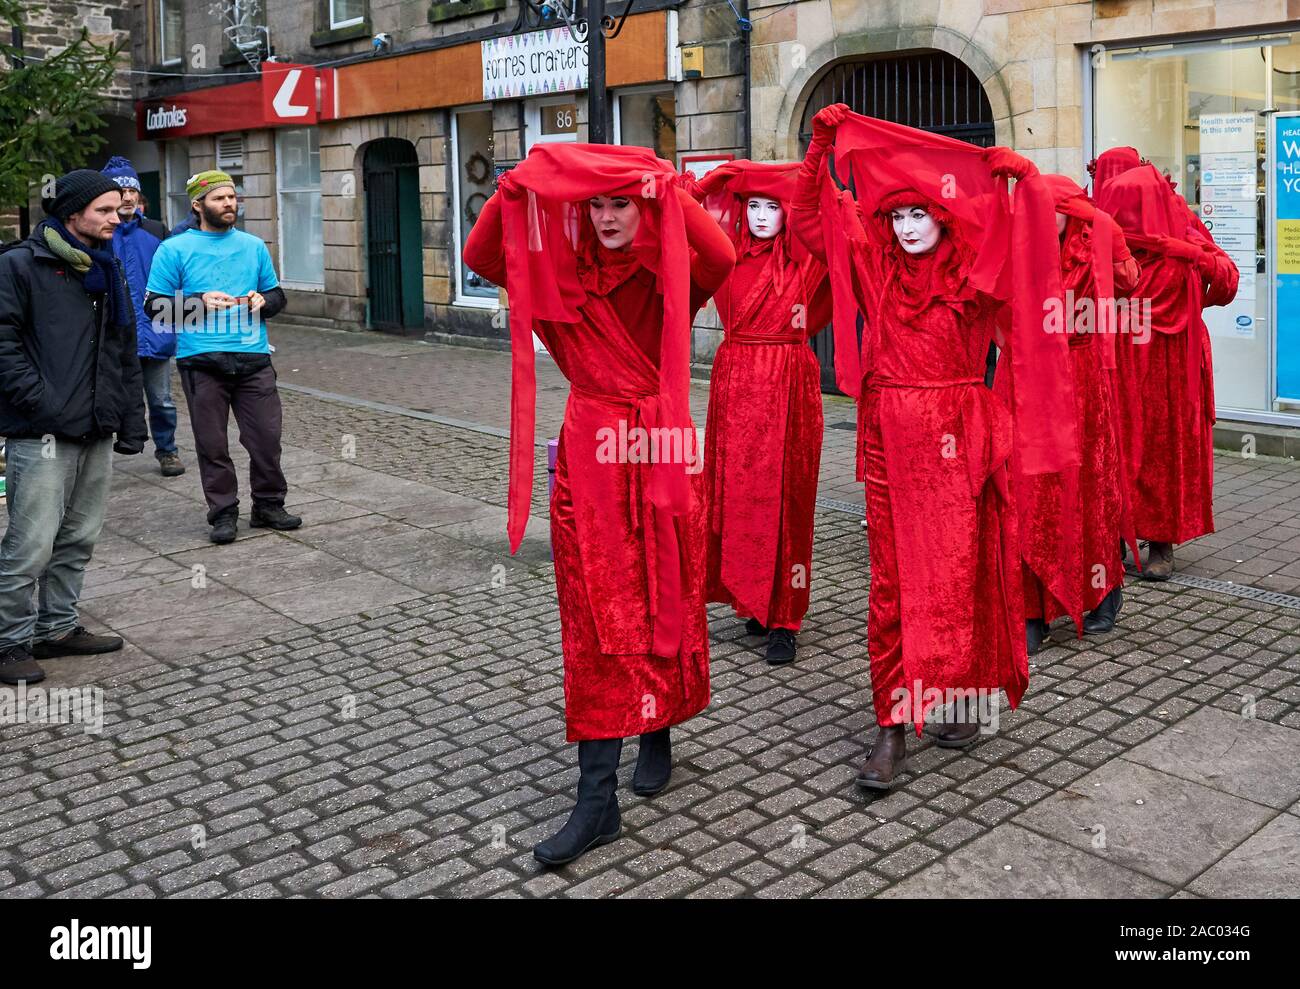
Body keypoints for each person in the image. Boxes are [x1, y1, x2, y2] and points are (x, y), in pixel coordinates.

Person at [790, 105, 1079, 789]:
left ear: (944, 217)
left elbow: (1038, 259)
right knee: (892, 587)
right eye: (896, 215)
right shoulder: (872, 262)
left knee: (961, 577)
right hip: (890, 435)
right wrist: (819, 150)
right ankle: (891, 726)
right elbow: (810, 221)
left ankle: (958, 693)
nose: (908, 226)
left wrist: (1026, 185)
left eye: (921, 213)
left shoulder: (975, 269)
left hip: (958, 436)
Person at [462, 143, 734, 866]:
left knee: (664, 596)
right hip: (591, 456)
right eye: (596, 204)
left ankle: (659, 725)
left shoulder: (668, 267)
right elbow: (482, 252)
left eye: (621, 202)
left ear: (641, 206)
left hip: (662, 449)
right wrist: (514, 187)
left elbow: (723, 254)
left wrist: (664, 185)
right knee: (595, 615)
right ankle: (596, 797)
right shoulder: (554, 274)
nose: (609, 217)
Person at [0, 170, 148, 686]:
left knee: (78, 536)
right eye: (105, 210)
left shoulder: (106, 269)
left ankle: (57, 628)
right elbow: (3, 345)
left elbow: (122, 350)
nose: (117, 218)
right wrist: (41, 403)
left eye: (119, 209)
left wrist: (131, 418)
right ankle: (8, 641)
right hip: (40, 431)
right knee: (30, 543)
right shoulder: (21, 264)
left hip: (96, 426)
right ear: (72, 215)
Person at [689, 161, 832, 664]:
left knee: (788, 496)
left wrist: (812, 163)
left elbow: (842, 219)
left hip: (789, 382)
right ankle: (753, 598)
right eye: (754, 205)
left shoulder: (805, 260)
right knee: (739, 492)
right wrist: (706, 183)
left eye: (775, 206)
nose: (763, 216)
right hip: (735, 384)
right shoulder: (724, 257)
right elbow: (674, 219)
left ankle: (785, 618)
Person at [994, 174, 1140, 654]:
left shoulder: (1093, 237)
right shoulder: (1012, 246)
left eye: (1048, 211)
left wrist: (1106, 231)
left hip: (1080, 376)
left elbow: (1129, 283)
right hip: (1025, 377)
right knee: (1026, 489)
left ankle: (1102, 590)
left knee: (1088, 486)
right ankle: (1031, 606)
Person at [1097, 163, 1238, 579]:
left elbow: (1226, 282)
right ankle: (1114, 535)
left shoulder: (1183, 233)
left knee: (1162, 450)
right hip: (1121, 363)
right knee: (1117, 447)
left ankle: (1161, 541)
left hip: (1171, 368)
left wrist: (1193, 256)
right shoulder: (1107, 247)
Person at [144, 170, 296, 544]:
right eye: (219, 198)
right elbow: (153, 309)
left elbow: (277, 298)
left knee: (265, 438)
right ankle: (223, 513)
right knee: (212, 444)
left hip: (253, 357)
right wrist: (198, 304)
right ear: (198, 205)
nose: (229, 203)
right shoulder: (174, 249)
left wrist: (265, 302)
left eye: (232, 197)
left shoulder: (252, 245)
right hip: (201, 361)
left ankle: (268, 505)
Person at [101, 156, 186, 478]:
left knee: (162, 399)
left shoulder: (155, 230)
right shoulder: (101, 233)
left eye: (132, 190)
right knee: (114, 397)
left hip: (156, 330)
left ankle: (168, 451)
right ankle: (109, 451)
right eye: (119, 190)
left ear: (138, 195)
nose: (127, 196)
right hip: (116, 333)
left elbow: (174, 278)